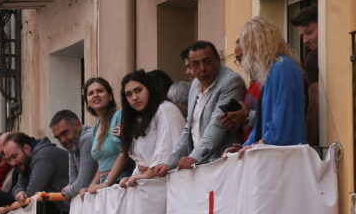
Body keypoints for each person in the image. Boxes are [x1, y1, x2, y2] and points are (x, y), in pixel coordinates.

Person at [157, 41, 246, 175]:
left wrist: (194, 158)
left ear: (218, 60)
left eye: (207, 61)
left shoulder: (231, 81)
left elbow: (217, 126)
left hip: (223, 166)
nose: (202, 68)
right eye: (196, 64)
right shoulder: (195, 84)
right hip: (199, 167)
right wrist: (169, 163)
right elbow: (189, 128)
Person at [235, 16, 305, 148]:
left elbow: (281, 124)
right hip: (274, 154)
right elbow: (261, 123)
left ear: (256, 46)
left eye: (246, 50)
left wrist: (257, 145)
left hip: (282, 156)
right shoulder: (273, 70)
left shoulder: (282, 68)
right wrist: (246, 146)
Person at [118, 70, 186, 187]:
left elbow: (166, 153)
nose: (134, 97)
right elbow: (141, 161)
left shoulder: (165, 109)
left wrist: (144, 175)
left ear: (149, 88)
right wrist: (131, 178)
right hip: (149, 187)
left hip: (170, 186)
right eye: (129, 94)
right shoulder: (143, 120)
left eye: (138, 90)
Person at [0, 133, 70, 206]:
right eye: (9, 160)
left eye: (14, 156)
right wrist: (18, 192)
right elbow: (19, 185)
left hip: (75, 208)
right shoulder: (24, 161)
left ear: (26, 148)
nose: (13, 163)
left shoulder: (43, 157)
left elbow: (30, 195)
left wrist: (20, 195)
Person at [81, 78, 127, 193]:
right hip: (105, 183)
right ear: (87, 102)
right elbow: (101, 164)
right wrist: (91, 186)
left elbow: (125, 153)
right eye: (91, 93)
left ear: (110, 96)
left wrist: (107, 183)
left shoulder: (119, 116)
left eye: (100, 91)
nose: (95, 95)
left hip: (120, 182)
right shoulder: (96, 126)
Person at [49, 110, 97, 198]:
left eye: (64, 133)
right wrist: (71, 188)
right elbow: (73, 181)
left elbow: (82, 184)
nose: (62, 140)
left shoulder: (87, 138)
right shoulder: (73, 143)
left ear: (78, 125)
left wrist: (66, 192)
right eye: (58, 137)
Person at [291, 6, 318, 145]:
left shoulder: (312, 59)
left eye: (309, 32)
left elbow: (314, 107)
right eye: (302, 36)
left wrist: (310, 144)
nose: (305, 41)